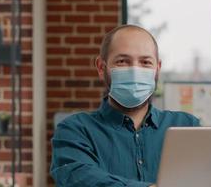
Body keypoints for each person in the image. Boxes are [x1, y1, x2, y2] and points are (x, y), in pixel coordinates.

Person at [50, 25, 200, 187]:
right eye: (122, 61)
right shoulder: (75, 130)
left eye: (145, 62)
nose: (135, 70)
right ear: (101, 67)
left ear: (158, 68)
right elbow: (79, 178)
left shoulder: (186, 126)